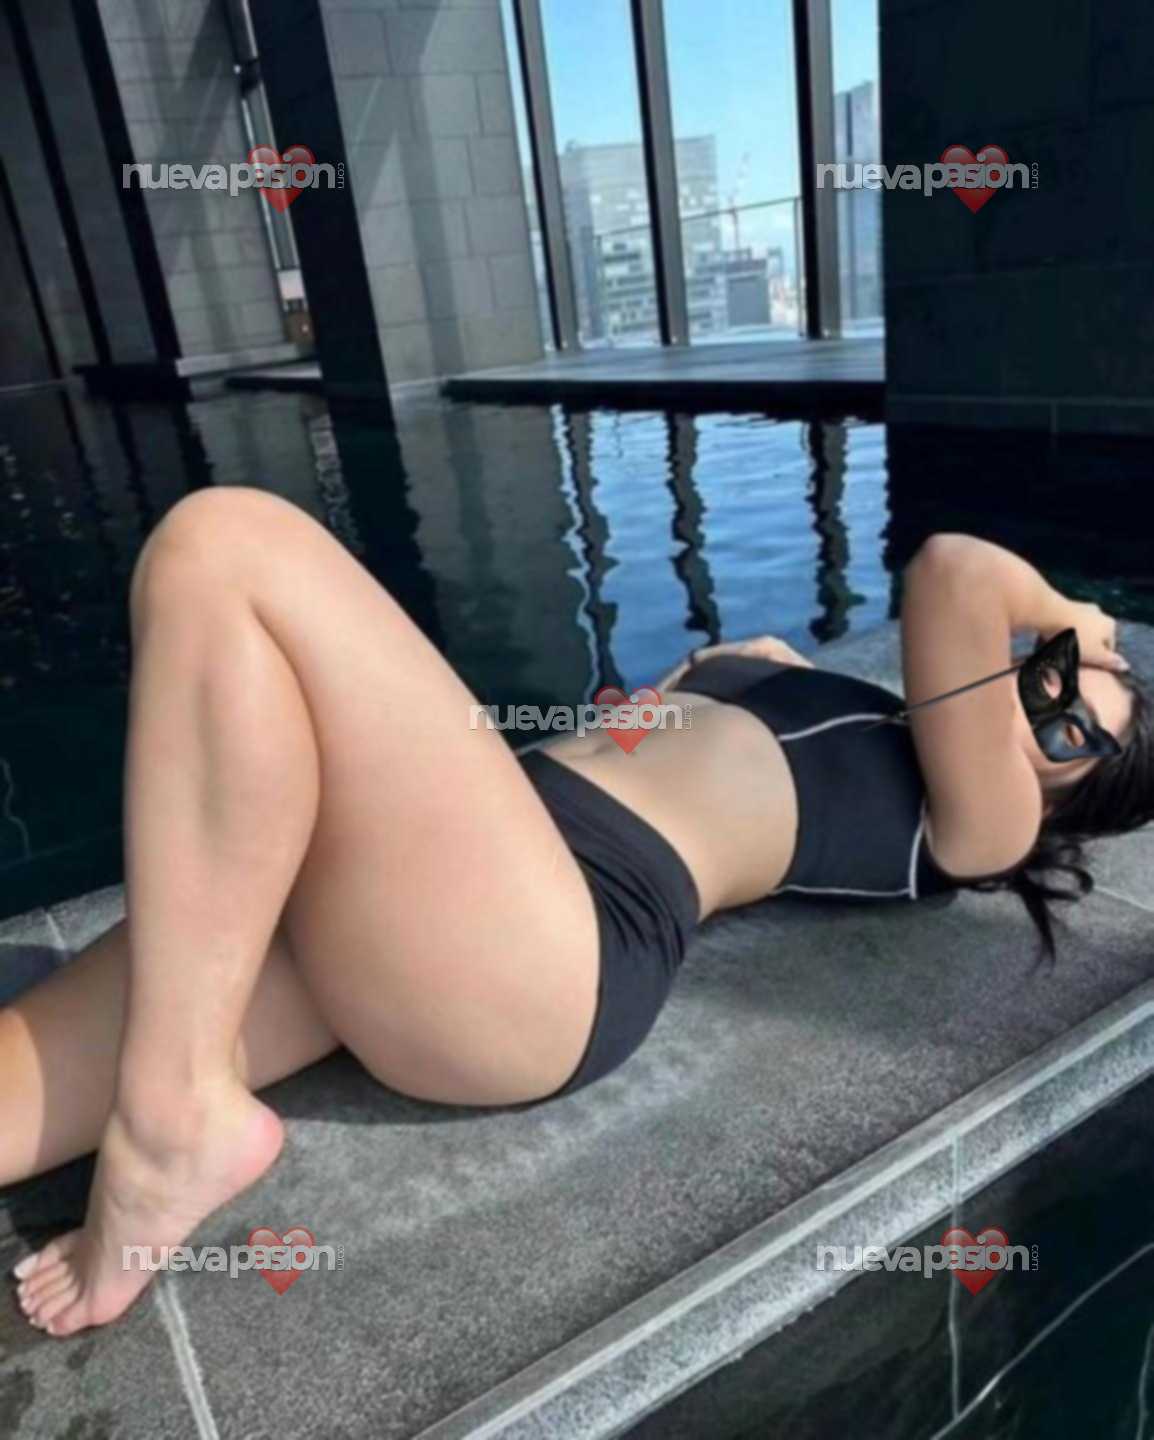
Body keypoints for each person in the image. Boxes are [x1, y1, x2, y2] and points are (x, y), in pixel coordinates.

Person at [3, 494, 1150, 1337]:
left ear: (1076, 800)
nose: (1036, 703)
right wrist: (722, 683)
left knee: (222, 545)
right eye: (1048, 671)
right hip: (426, 888)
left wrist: (1070, 613)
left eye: (1068, 731)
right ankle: (172, 1094)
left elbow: (951, 569)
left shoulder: (986, 827)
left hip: (551, 945)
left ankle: (173, 1121)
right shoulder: (858, 711)